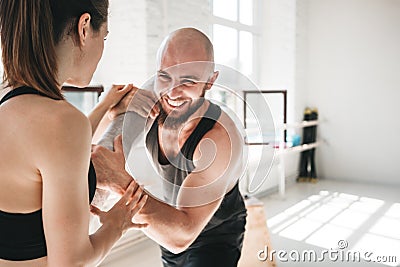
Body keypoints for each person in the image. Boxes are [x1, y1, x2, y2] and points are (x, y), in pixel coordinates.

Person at [0, 1, 147, 266]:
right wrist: (117, 224)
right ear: (84, 27)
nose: (103, 47)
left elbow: (49, 152)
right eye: (104, 36)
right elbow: (71, 262)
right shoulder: (62, 123)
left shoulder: (9, 105)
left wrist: (104, 106)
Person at [91, 27, 247, 267]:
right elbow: (93, 147)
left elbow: (182, 236)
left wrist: (120, 182)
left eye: (188, 81)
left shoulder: (219, 139)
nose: (172, 92)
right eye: (164, 77)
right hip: (170, 216)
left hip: (215, 233)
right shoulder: (148, 102)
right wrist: (111, 111)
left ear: (210, 81)